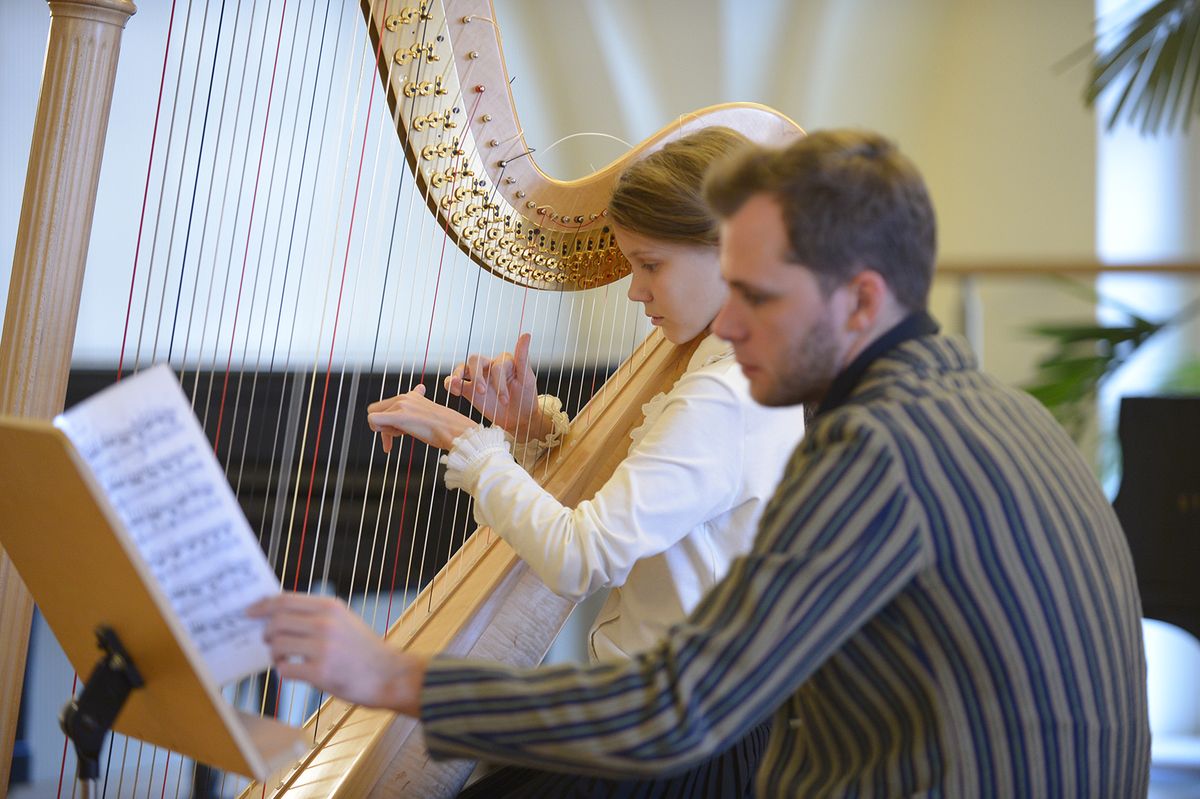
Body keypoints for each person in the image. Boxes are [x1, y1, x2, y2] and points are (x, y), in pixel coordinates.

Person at [252, 129, 1151, 797]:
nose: (728, 325)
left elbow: (677, 708)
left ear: (860, 301)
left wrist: (394, 677)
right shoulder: (997, 410)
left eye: (756, 295)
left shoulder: (874, 449)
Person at [358, 126, 805, 795]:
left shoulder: (725, 392)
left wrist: (464, 440)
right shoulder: (737, 364)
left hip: (681, 752)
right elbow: (643, 490)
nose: (634, 291)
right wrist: (527, 427)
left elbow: (583, 557)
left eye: (650, 264)